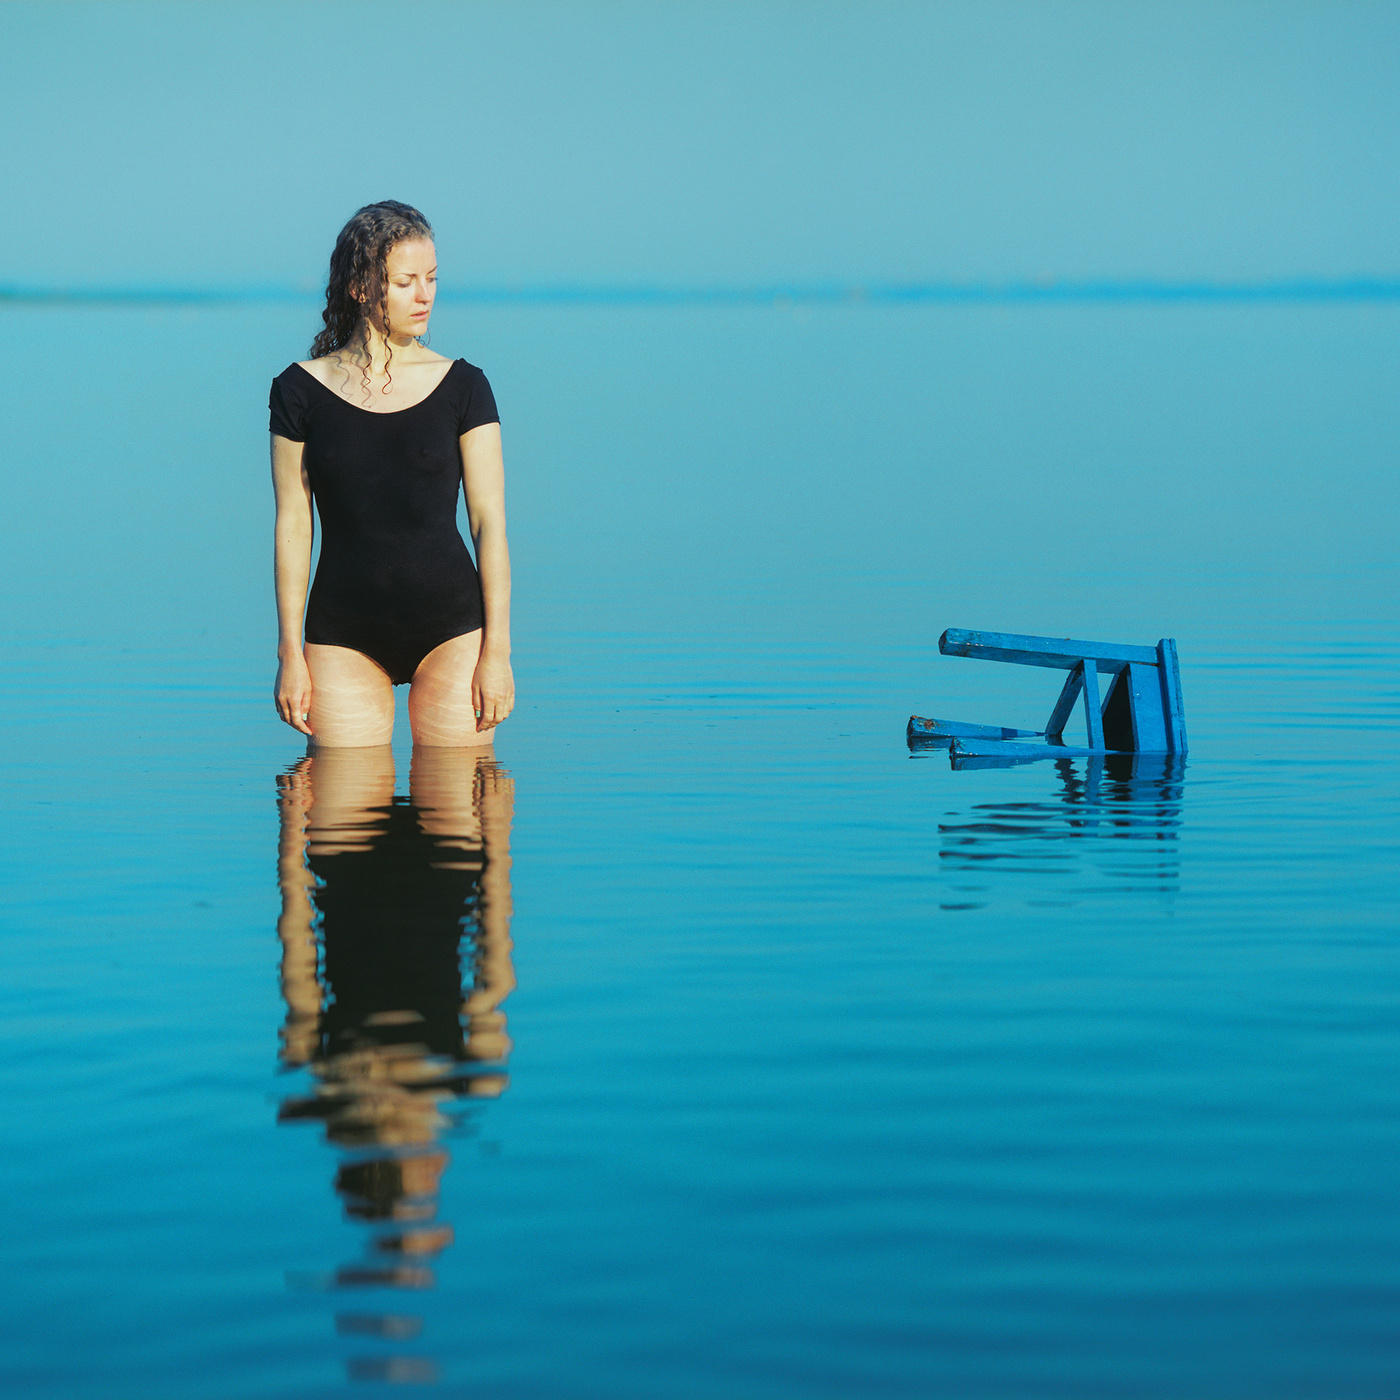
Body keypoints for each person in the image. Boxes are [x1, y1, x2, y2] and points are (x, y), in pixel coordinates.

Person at [269, 200, 513, 747]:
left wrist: (497, 652)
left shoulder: (465, 386)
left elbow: (488, 523)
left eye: (431, 279)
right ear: (361, 287)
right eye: (406, 282)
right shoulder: (297, 391)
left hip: (452, 629)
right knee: (337, 820)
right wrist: (290, 652)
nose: (425, 295)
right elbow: (293, 526)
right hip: (341, 635)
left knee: (465, 816)